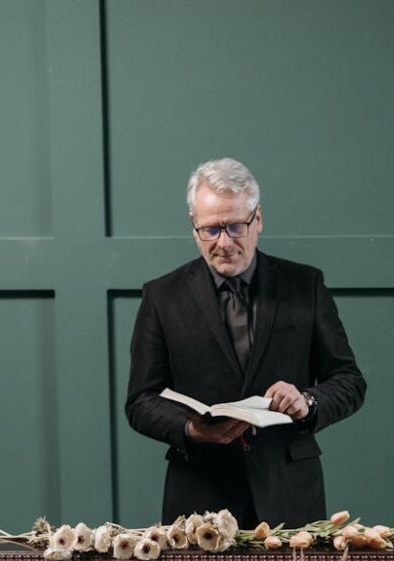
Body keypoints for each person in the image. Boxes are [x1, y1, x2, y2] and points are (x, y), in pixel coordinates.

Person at [125, 158, 366, 529]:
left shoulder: (306, 286)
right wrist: (192, 430)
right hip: (197, 500)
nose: (223, 243)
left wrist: (307, 402)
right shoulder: (161, 296)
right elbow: (140, 401)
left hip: (290, 496)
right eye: (210, 230)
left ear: (258, 220)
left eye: (236, 226)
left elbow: (349, 380)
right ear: (194, 227)